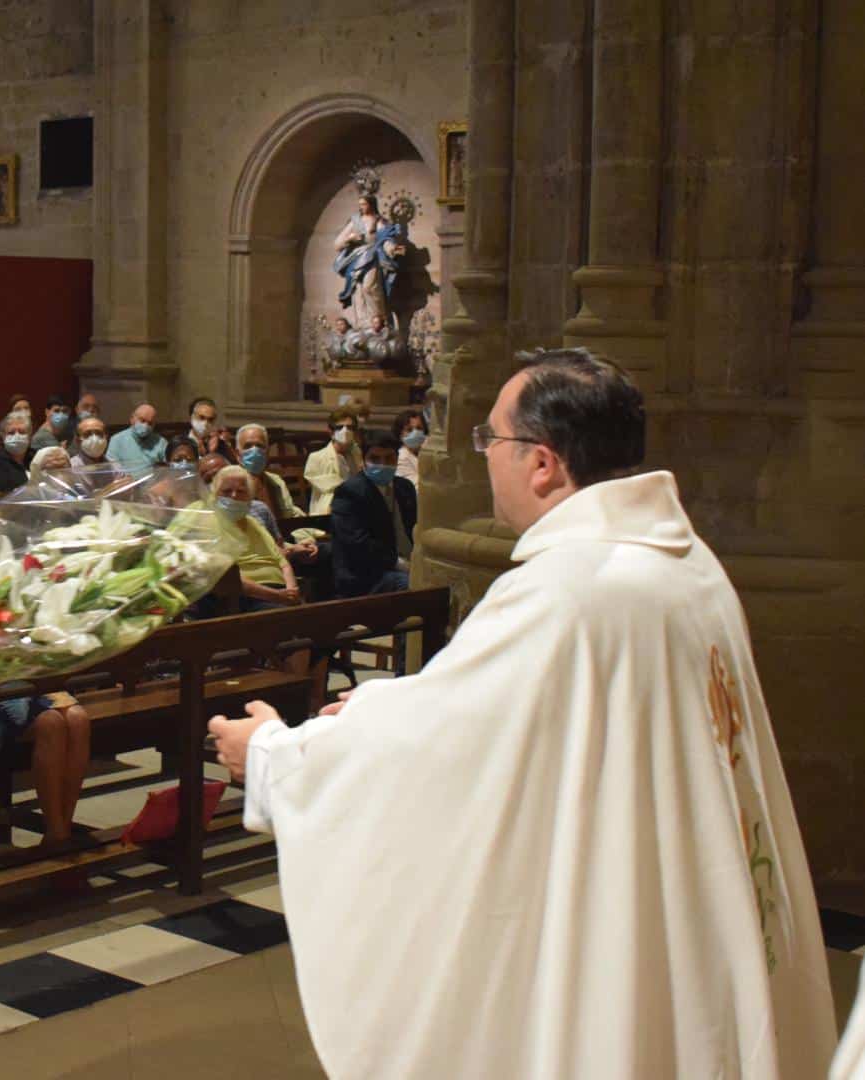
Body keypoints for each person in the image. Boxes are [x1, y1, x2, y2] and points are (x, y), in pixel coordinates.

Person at [209, 348, 838, 1080]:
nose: (483, 457)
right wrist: (386, 701)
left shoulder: (569, 589)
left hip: (618, 931)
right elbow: (509, 715)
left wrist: (271, 755)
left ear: (541, 463)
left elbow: (447, 757)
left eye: (490, 440)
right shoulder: (683, 564)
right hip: (684, 916)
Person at [0, 692, 92, 853]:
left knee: (78, 718)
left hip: (30, 691)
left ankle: (61, 828)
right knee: (51, 722)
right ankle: (58, 835)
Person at [329, 431, 416, 596]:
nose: (383, 465)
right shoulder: (349, 492)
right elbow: (358, 543)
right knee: (414, 584)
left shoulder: (405, 487)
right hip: (366, 575)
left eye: (389, 458)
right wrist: (400, 564)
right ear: (363, 461)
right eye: (375, 459)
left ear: (397, 459)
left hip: (407, 563)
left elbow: (415, 527)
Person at [204, 465, 301, 611]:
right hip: (249, 597)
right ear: (215, 495)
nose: (234, 496)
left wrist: (291, 590)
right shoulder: (209, 525)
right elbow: (229, 580)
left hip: (282, 592)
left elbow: (283, 562)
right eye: (226, 491)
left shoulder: (253, 522)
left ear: (249, 498)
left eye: (241, 491)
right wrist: (278, 596)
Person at [303, 408, 364, 515]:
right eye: (339, 427)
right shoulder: (317, 457)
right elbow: (326, 487)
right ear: (331, 432)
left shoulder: (357, 453)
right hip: (328, 509)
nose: (345, 431)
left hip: (356, 507)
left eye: (350, 427)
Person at [0, 411, 33, 495]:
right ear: (3, 436)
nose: (17, 436)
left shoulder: (35, 455)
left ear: (30, 436)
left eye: (22, 432)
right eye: (11, 433)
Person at [106, 402, 166, 475]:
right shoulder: (117, 440)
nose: (145, 426)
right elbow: (113, 468)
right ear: (132, 419)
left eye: (150, 423)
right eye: (142, 420)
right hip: (126, 484)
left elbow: (167, 469)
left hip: (154, 484)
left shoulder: (161, 443)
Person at [188, 397, 236, 463]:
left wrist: (212, 453)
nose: (206, 423)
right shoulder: (180, 442)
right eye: (201, 417)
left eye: (210, 420)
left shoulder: (221, 445)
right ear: (191, 418)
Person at [393, 408, 427, 488]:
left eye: (419, 428)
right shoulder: (401, 459)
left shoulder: (424, 451)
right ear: (400, 435)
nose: (415, 433)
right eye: (409, 430)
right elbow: (417, 488)